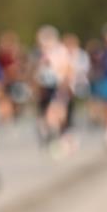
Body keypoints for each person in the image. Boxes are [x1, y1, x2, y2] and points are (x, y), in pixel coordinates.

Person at [30, 25, 71, 154]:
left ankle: (60, 135)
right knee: (45, 113)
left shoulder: (60, 51)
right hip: (44, 87)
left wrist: (64, 82)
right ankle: (52, 134)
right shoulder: (37, 53)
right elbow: (33, 71)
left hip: (58, 86)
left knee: (56, 112)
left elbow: (67, 68)